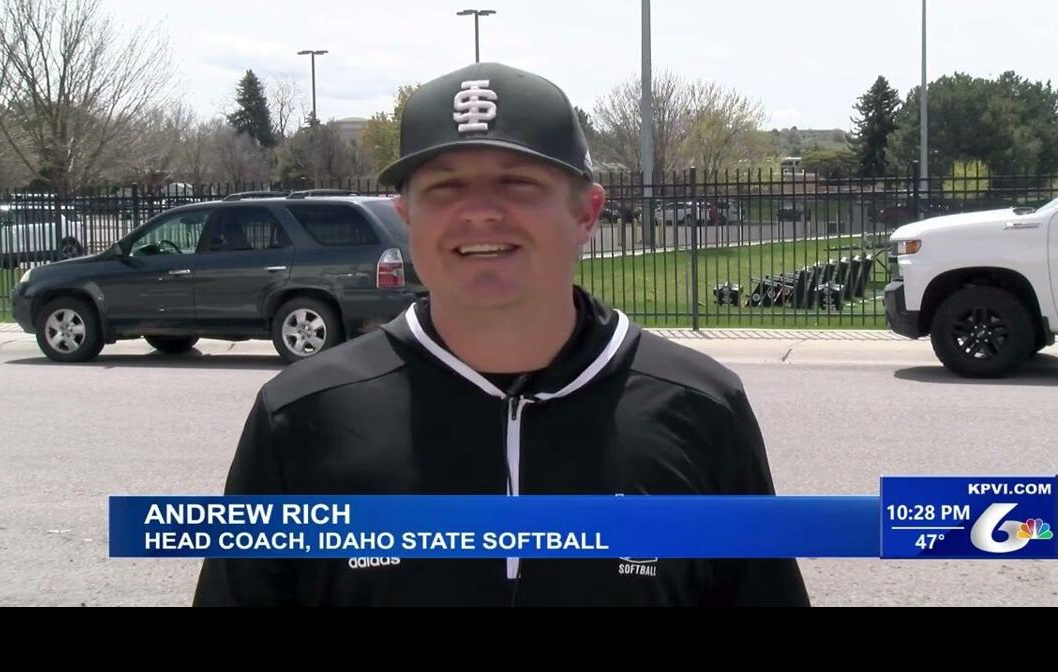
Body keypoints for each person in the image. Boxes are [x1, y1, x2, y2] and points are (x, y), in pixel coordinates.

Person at [193, 62, 808, 607]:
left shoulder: (699, 406)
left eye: (517, 183)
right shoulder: (303, 414)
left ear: (587, 213)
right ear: (407, 216)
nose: (480, 211)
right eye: (445, 186)